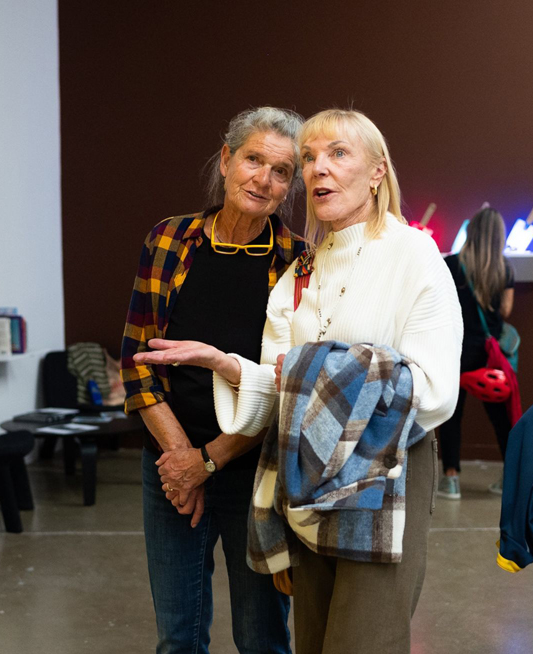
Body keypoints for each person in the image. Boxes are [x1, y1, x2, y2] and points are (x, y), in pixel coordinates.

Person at [134, 109, 462, 654]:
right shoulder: (302, 271)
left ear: (377, 171)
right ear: (226, 160)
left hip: (381, 470)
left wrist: (307, 374)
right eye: (309, 158)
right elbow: (278, 391)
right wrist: (228, 365)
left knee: (363, 641)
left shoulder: (413, 254)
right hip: (305, 471)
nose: (318, 169)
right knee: (310, 638)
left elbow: (433, 391)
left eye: (337, 153)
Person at [120, 107, 304, 654]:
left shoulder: (298, 261)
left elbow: (284, 389)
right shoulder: (169, 240)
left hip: (255, 472)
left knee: (262, 638)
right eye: (253, 160)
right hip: (168, 464)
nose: (263, 179)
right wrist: (181, 459)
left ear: (290, 185)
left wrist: (208, 462)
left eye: (281, 171)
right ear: (226, 160)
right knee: (177, 638)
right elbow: (137, 360)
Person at [438, 208, 515, 499]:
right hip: (490, 353)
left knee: (451, 413)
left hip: (456, 348)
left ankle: (451, 479)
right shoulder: (504, 268)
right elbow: (505, 310)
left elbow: (440, 304)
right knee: (501, 417)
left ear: (471, 231)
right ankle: (509, 478)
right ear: (499, 237)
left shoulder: (452, 264)